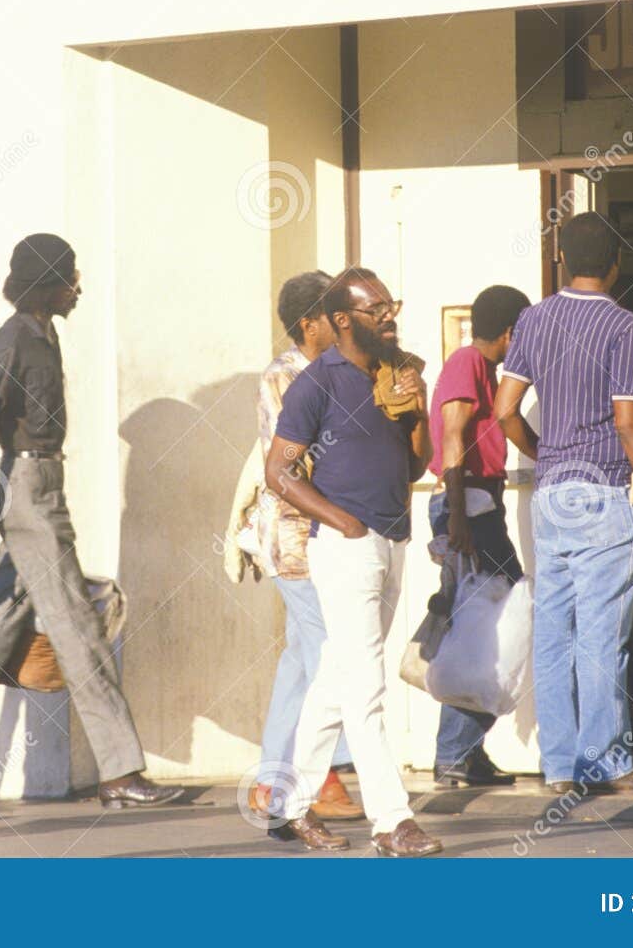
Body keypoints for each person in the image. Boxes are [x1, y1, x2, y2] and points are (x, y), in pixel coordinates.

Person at [0, 234, 182, 810]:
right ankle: (120, 773)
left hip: (44, 485)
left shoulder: (45, 335)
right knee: (79, 630)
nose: (79, 288)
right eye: (71, 277)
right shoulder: (15, 335)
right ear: (46, 282)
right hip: (28, 493)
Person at [493, 212, 633, 797]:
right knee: (603, 634)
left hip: (552, 494)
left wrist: (545, 456)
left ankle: (559, 767)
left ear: (560, 259)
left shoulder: (531, 320)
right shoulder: (624, 325)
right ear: (616, 264)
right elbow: (630, 424)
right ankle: (607, 761)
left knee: (554, 631)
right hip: (607, 491)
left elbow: (505, 411)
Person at [265, 267, 443, 857]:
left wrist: (416, 414)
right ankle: (392, 821)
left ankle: (288, 805)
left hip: (393, 539)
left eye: (393, 306)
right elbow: (278, 473)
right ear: (342, 320)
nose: (390, 317)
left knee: (338, 681)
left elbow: (416, 467)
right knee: (365, 687)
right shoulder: (315, 384)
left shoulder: (401, 370)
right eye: (377, 310)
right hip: (344, 547)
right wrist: (341, 521)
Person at [247, 271, 361, 822]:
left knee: (300, 661)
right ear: (307, 323)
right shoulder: (284, 377)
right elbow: (285, 466)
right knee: (328, 658)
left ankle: (272, 781)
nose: (341, 323)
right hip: (296, 536)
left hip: (323, 534)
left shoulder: (332, 371)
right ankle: (321, 778)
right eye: (331, 314)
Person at [425, 285, 532, 788]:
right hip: (467, 501)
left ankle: (466, 750)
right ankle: (453, 751)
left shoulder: (489, 372)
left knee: (487, 630)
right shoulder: (467, 362)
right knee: (488, 627)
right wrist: (457, 515)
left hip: (480, 501)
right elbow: (452, 434)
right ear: (511, 331)